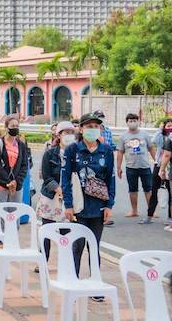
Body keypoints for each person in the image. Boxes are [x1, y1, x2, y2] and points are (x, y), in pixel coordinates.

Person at [62, 113, 116, 302]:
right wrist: (68, 205)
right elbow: (66, 179)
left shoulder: (106, 150)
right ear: (81, 128)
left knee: (94, 246)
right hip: (79, 207)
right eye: (89, 126)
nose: (93, 129)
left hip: (98, 207)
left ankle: (95, 285)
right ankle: (73, 284)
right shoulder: (72, 150)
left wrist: (109, 205)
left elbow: (110, 179)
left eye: (96, 126)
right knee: (77, 246)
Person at [36, 121, 76, 271]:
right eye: (66, 132)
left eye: (71, 132)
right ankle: (42, 261)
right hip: (51, 197)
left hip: (69, 198)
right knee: (46, 230)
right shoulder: (50, 154)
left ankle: (66, 263)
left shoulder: (77, 153)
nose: (69, 135)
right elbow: (46, 177)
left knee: (66, 231)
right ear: (58, 135)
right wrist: (58, 189)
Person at [117, 113, 155, 219]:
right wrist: (118, 167)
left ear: (138, 122)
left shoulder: (145, 134)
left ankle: (151, 211)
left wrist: (157, 161)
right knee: (132, 189)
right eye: (130, 121)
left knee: (148, 189)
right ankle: (134, 210)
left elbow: (151, 148)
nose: (132, 122)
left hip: (145, 166)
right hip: (131, 167)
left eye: (134, 120)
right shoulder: (123, 137)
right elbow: (120, 152)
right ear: (127, 122)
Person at [0, 117, 28, 204]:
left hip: (16, 186)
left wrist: (16, 182)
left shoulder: (21, 145)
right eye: (13, 126)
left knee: (15, 211)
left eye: (17, 126)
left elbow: (24, 165)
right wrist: (8, 182)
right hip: (1, 185)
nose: (15, 128)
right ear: (6, 128)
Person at [145, 119, 172, 225]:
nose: (170, 128)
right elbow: (153, 141)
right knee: (154, 190)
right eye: (168, 126)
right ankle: (149, 215)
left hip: (169, 167)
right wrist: (159, 130)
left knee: (170, 193)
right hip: (159, 164)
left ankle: (170, 218)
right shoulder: (161, 136)